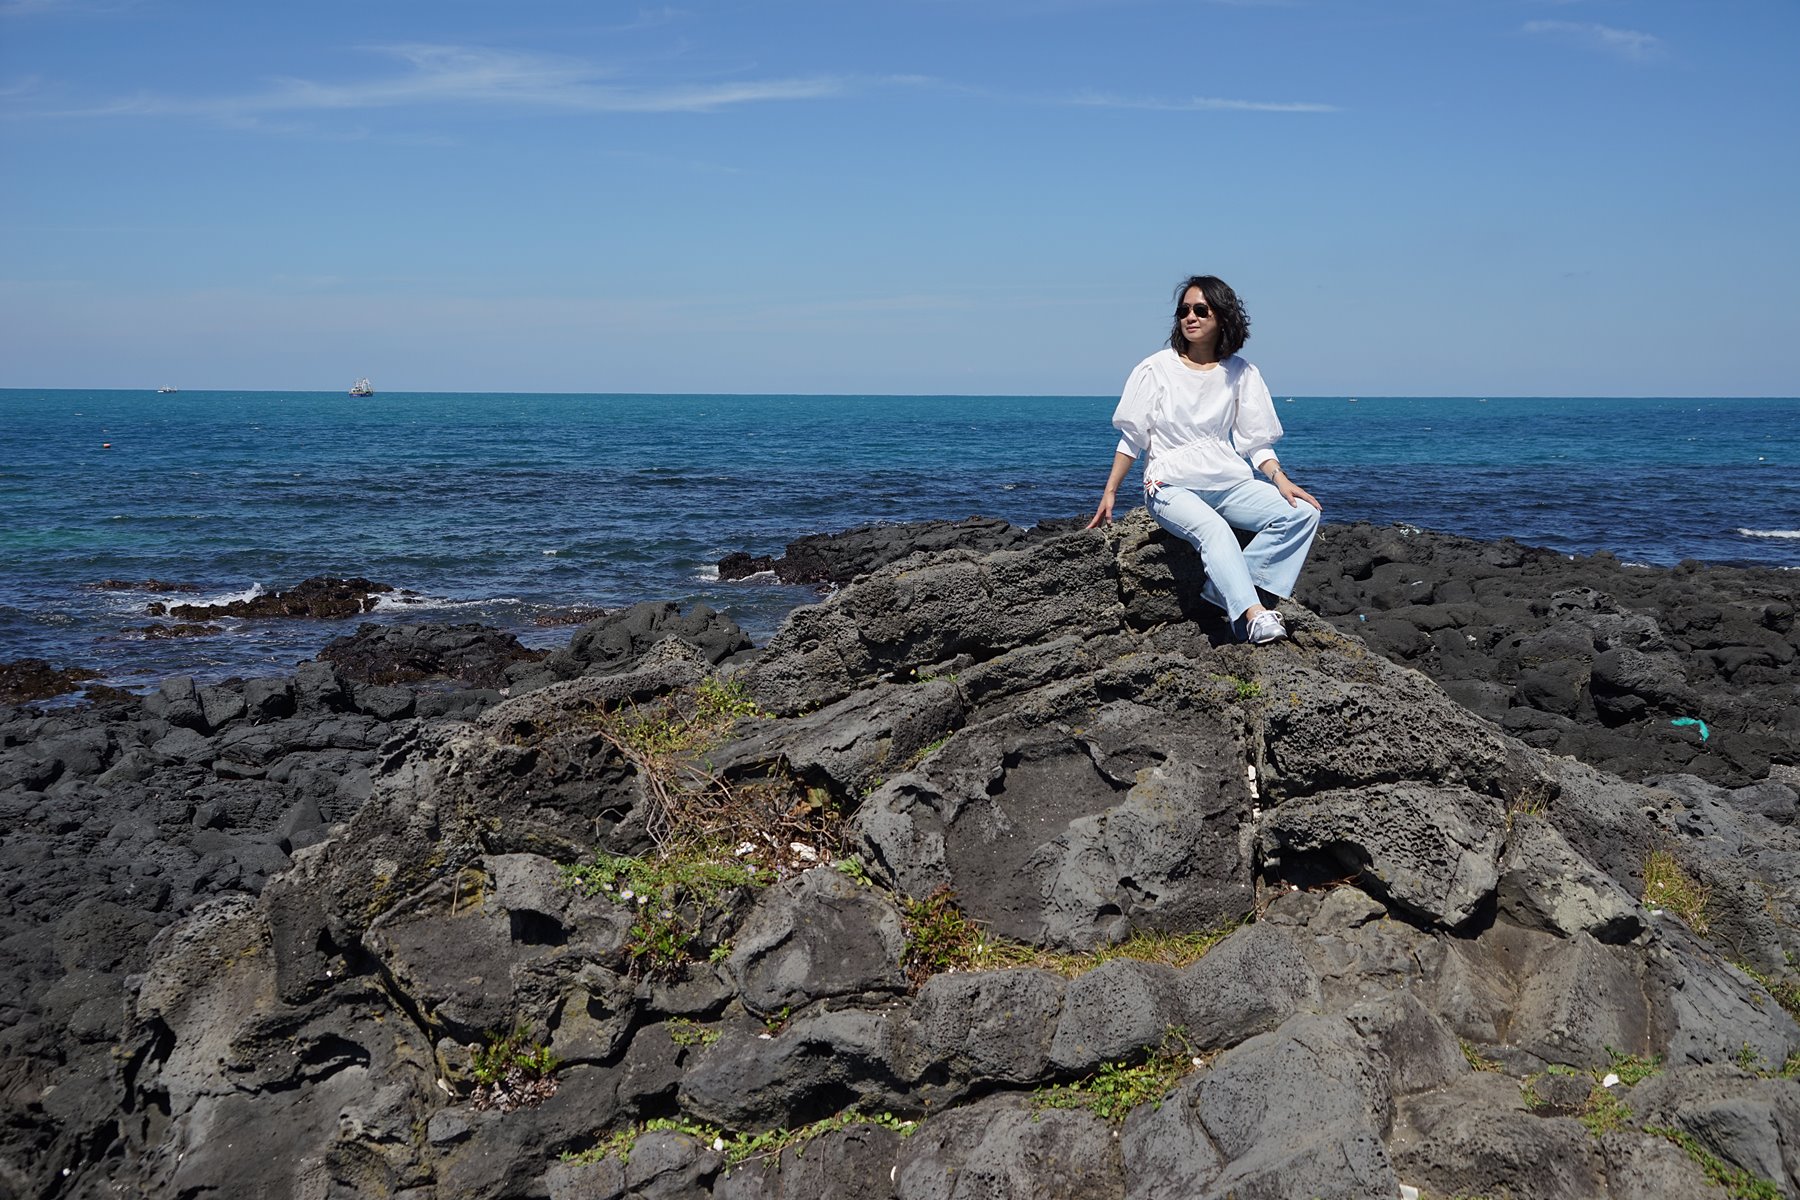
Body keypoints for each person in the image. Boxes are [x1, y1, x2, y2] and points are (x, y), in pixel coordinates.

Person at [1086, 274, 1322, 644]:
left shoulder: (1241, 373)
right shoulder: (1156, 369)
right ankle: (1253, 614)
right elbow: (1133, 438)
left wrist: (1281, 479)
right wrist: (1110, 490)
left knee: (1302, 513)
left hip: (1229, 484)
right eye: (1184, 311)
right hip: (1169, 486)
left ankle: (1224, 586)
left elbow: (1256, 443)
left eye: (1200, 310)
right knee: (1215, 530)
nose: (1190, 317)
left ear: (1222, 317)